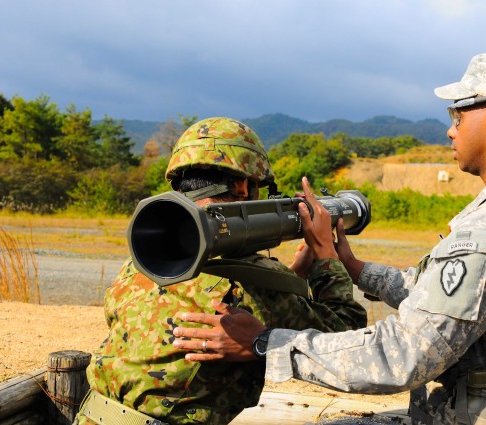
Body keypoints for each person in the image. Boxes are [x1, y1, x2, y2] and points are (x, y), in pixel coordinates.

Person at [172, 54, 486, 424]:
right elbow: (448, 300)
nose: (451, 130)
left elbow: (402, 355)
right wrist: (354, 268)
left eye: (457, 114)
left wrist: (265, 342)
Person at [73, 117, 367, 425]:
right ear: (242, 185)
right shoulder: (257, 287)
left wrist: (289, 279)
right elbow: (346, 338)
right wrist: (325, 256)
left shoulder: (144, 261)